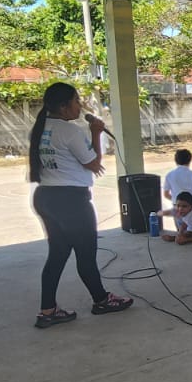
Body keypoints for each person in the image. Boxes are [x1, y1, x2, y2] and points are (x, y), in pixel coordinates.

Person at [27, 81, 132, 327]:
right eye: (76, 101)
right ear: (63, 107)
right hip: (71, 200)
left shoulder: (40, 128)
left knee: (58, 254)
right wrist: (96, 133)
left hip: (45, 197)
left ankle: (48, 310)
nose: (79, 106)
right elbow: (94, 164)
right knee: (86, 256)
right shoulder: (71, 131)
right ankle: (102, 300)